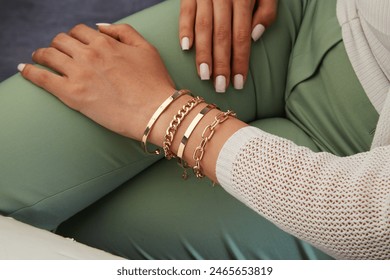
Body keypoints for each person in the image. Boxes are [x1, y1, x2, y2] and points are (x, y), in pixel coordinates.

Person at [1, 0, 389, 259]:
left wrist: (165, 113)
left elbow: (371, 221)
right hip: (293, 14)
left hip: (350, 180)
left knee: (63, 242)